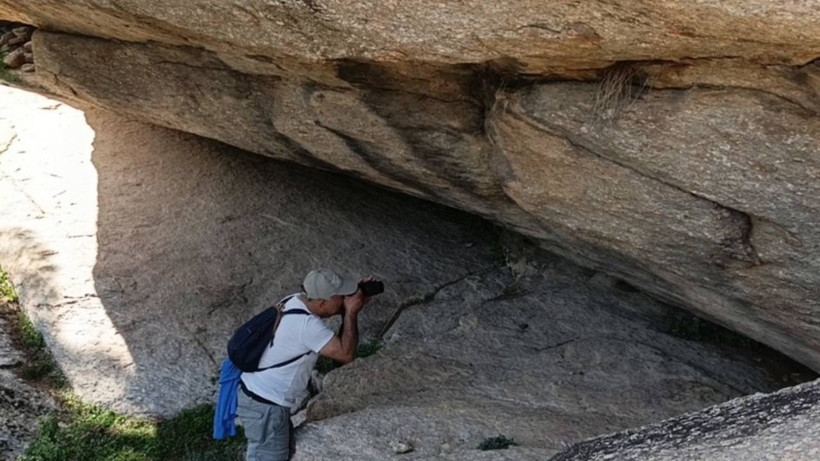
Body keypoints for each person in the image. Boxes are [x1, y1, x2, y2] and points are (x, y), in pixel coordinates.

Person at [237, 268, 373, 460]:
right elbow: (345, 355)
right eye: (341, 296)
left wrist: (348, 301)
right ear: (323, 302)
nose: (345, 299)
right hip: (266, 405)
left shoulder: (295, 300)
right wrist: (351, 313)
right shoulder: (306, 326)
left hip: (257, 397)